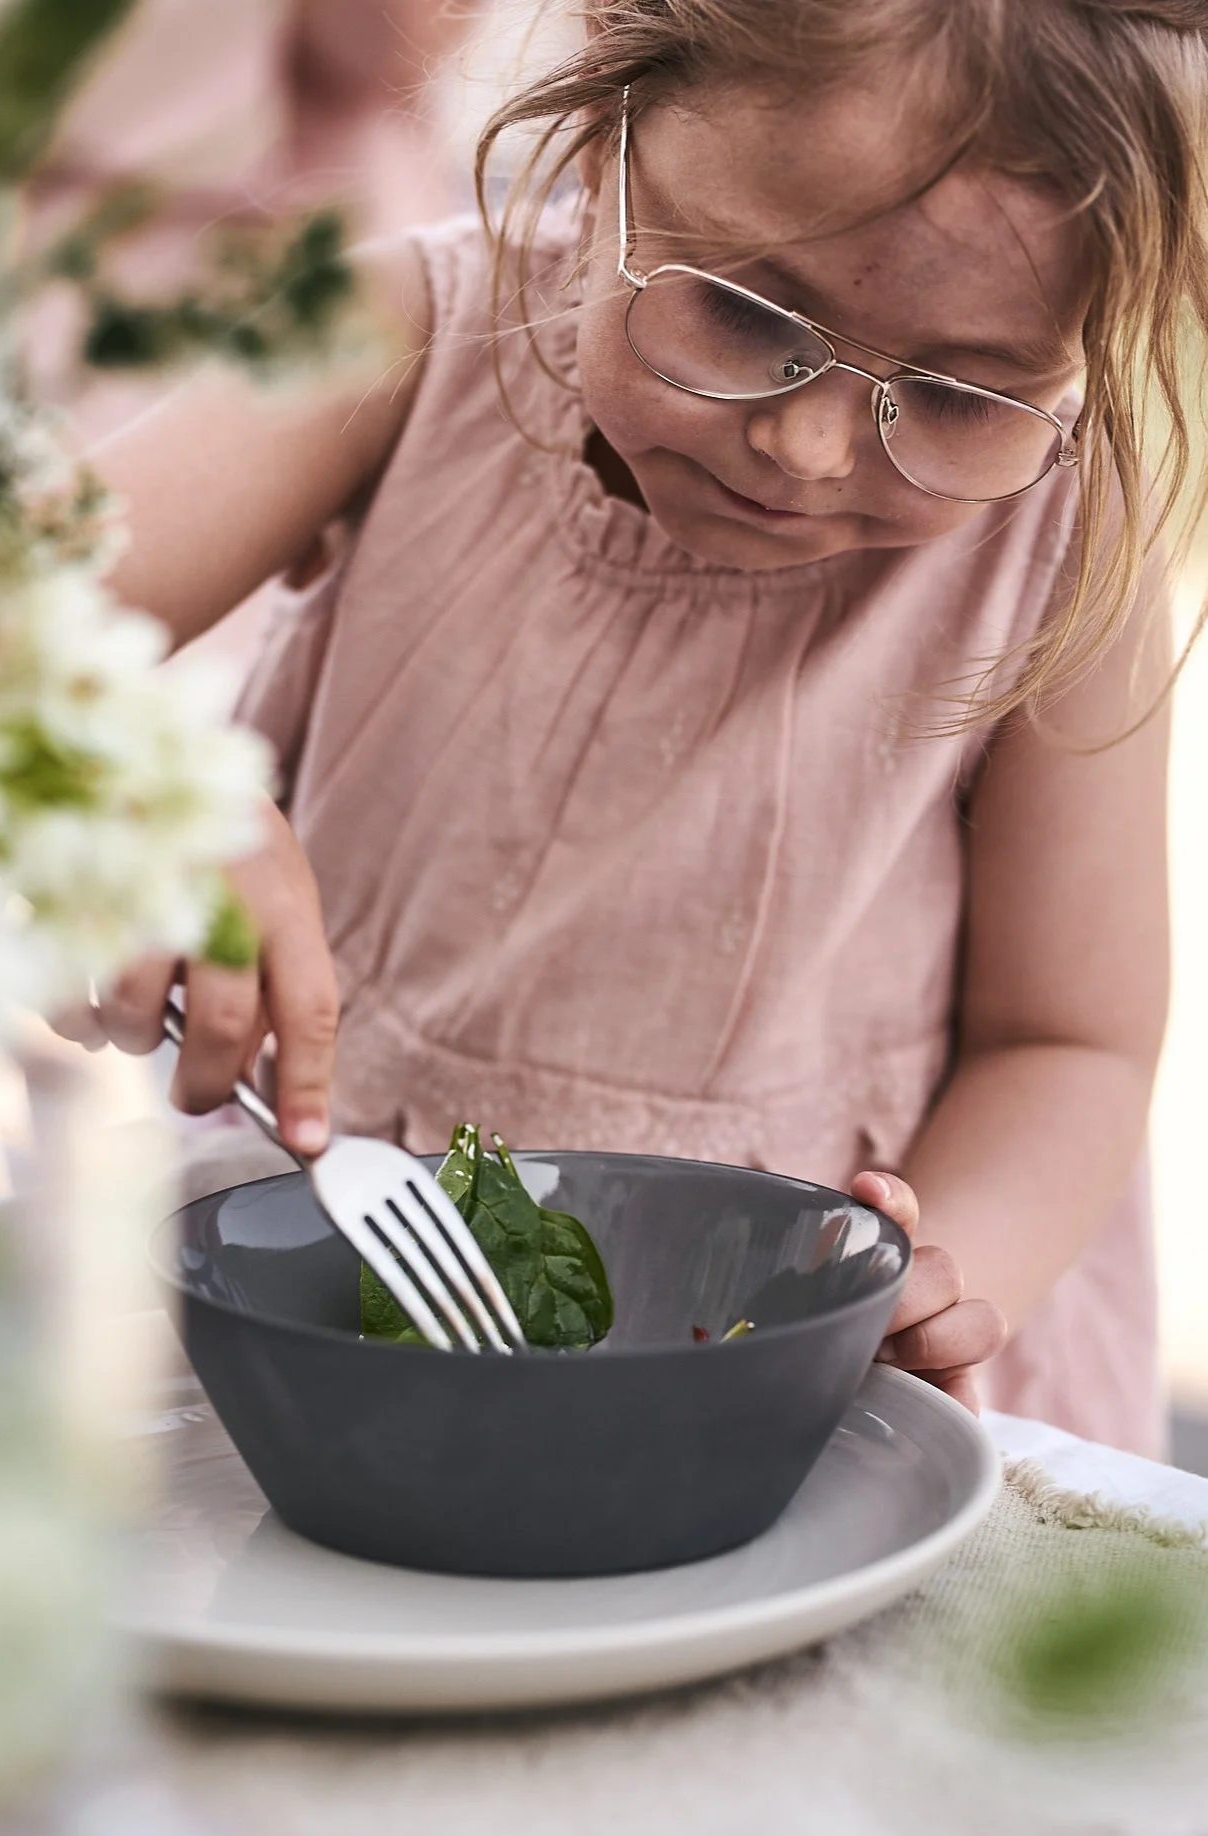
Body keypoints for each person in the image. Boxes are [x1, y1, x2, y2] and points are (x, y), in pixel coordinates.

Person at [68, 0, 1208, 1453]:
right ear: (603, 132)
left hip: (780, 1386)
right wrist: (152, 795)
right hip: (326, 1300)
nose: (806, 448)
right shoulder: (406, 337)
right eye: (745, 313)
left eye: (959, 393)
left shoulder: (1060, 543)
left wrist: (920, 1290)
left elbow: (1066, 1042)